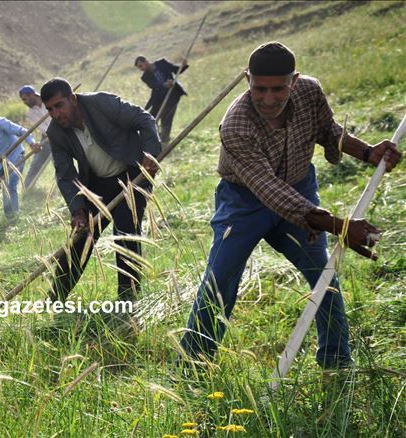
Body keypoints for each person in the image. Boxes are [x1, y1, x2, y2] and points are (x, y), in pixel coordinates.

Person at [179, 42, 402, 370]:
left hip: (300, 186)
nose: (268, 99)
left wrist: (368, 152)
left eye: (278, 89)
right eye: (260, 89)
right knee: (219, 279)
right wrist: (341, 226)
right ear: (247, 81)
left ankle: (337, 362)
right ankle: (193, 367)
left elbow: (328, 131)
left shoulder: (310, 92)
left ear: (294, 81)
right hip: (244, 203)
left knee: (323, 276)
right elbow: (269, 191)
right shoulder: (236, 125)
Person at [40, 78, 162, 302]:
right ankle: (55, 299)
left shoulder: (101, 104)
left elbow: (144, 119)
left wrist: (151, 153)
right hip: (97, 186)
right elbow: (65, 174)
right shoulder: (56, 133)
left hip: (131, 175)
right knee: (80, 240)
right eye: (49, 109)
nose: (55, 114)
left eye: (59, 106)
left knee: (125, 233)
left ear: (72, 99)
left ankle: (128, 301)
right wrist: (77, 211)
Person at [134, 55, 189, 147]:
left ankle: (164, 141)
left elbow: (176, 70)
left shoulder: (162, 63)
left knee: (166, 117)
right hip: (158, 98)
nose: (141, 69)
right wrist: (164, 84)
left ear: (146, 61)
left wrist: (183, 65)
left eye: (141, 66)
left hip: (172, 94)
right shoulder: (145, 77)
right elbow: (154, 85)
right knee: (151, 118)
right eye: (139, 68)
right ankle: (155, 137)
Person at [19, 85, 53, 189]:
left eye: (25, 99)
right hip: (47, 137)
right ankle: (27, 189)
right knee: (36, 162)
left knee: (59, 163)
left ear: (32, 95)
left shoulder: (48, 101)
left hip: (62, 132)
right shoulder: (30, 113)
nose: (24, 102)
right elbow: (43, 128)